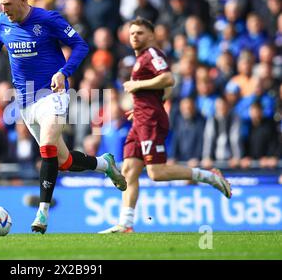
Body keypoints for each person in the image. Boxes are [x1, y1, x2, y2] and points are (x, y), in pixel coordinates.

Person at [0, 0, 126, 234]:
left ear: (23, 1)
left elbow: (81, 45)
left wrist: (63, 71)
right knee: (64, 160)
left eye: (8, 4)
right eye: (1, 5)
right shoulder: (1, 23)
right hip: (25, 100)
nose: (4, 10)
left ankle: (42, 212)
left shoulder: (48, 19)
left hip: (53, 93)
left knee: (47, 146)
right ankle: (105, 164)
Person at [99, 18, 232, 234]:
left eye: (140, 33)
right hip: (141, 118)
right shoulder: (140, 59)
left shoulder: (152, 54)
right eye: (132, 33)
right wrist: (143, 103)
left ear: (151, 36)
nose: (135, 36)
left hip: (150, 120)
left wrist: (139, 87)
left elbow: (169, 79)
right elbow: (164, 91)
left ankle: (210, 177)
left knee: (156, 173)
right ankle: (126, 223)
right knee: (129, 170)